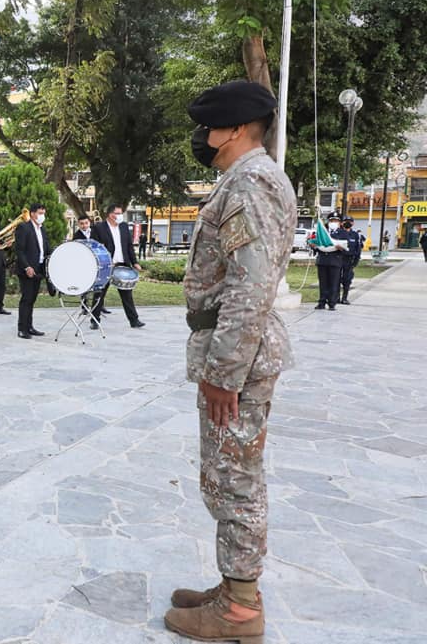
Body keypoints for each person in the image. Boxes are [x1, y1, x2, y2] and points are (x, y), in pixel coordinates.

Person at [164, 80, 297, 643]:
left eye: (211, 124)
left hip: (236, 356)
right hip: (232, 349)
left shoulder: (251, 183)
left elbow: (251, 285)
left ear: (237, 127)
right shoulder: (246, 179)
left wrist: (223, 374)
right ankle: (234, 584)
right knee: (227, 475)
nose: (204, 135)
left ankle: (240, 611)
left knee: (235, 479)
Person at [90, 204, 145, 329]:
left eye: (121, 213)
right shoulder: (99, 228)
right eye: (117, 213)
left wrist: (134, 262)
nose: (120, 216)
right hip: (106, 266)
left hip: (123, 265)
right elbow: (94, 247)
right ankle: (94, 320)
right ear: (110, 214)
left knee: (127, 293)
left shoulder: (124, 227)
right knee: (100, 293)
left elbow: (129, 246)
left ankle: (134, 320)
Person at [13, 202, 50, 339]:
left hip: (39, 268)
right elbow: (20, 250)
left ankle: (29, 326)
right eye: (40, 213)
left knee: (32, 299)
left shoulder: (42, 229)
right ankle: (22, 329)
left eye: (43, 213)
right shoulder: (24, 227)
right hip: (27, 269)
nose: (42, 216)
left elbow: (45, 247)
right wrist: (27, 266)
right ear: (33, 213)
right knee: (26, 299)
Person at [315, 212, 347, 310]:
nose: (333, 222)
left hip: (335, 261)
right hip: (323, 260)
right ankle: (322, 302)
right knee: (323, 283)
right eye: (332, 220)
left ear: (340, 223)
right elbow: (318, 243)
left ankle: (332, 303)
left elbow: (346, 247)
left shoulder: (343, 233)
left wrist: (341, 248)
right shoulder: (323, 231)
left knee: (333, 283)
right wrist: (314, 246)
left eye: (336, 221)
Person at [338, 216, 362, 304]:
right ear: (342, 223)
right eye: (345, 221)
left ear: (353, 223)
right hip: (339, 259)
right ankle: (336, 297)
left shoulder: (355, 235)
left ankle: (344, 298)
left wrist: (355, 262)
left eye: (350, 221)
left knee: (347, 280)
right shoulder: (338, 233)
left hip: (349, 261)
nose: (347, 223)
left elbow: (358, 249)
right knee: (336, 279)